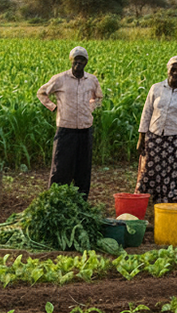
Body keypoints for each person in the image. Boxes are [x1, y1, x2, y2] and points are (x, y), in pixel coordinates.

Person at [37, 46, 103, 200]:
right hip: (65, 130)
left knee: (83, 169)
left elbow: (98, 97)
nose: (78, 63)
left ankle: (80, 202)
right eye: (76, 59)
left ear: (86, 62)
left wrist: (90, 107)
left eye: (82, 60)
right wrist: (54, 107)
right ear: (71, 60)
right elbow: (42, 93)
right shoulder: (60, 79)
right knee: (60, 168)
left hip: (85, 129)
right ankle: (55, 201)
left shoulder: (92, 80)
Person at [135, 56, 177, 207]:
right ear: (167, 70)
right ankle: (147, 201)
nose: (175, 73)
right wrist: (141, 138)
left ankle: (169, 202)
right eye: (173, 69)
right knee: (149, 169)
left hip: (175, 140)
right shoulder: (156, 88)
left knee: (173, 170)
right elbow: (146, 113)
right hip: (154, 137)